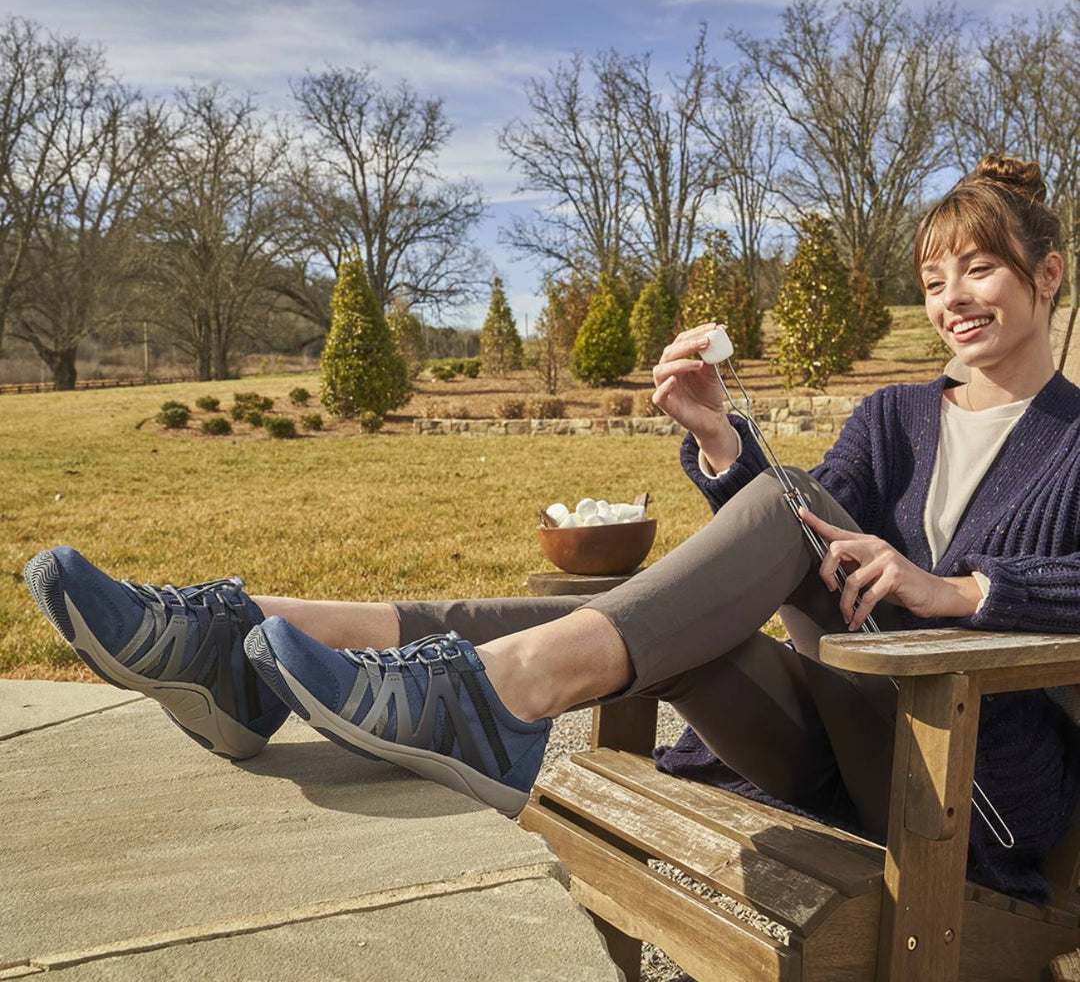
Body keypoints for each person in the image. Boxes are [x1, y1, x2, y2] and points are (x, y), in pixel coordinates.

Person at [24, 154, 1080, 904]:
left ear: (1046, 275)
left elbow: (827, 540)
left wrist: (967, 594)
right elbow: (784, 537)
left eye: (978, 273)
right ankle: (256, 641)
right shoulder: (896, 414)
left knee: (682, 581)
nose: (952, 303)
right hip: (829, 732)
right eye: (933, 283)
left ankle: (427, 678)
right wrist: (720, 443)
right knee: (648, 597)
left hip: (965, 773)